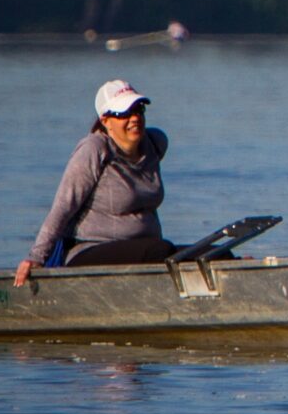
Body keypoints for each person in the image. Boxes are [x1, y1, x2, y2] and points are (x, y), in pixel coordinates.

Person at [15, 80, 175, 286]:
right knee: (161, 250)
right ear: (105, 120)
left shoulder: (155, 143)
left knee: (213, 255)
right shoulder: (93, 149)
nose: (134, 118)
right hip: (89, 251)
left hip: (145, 251)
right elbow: (63, 208)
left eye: (138, 110)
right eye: (124, 113)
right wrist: (36, 257)